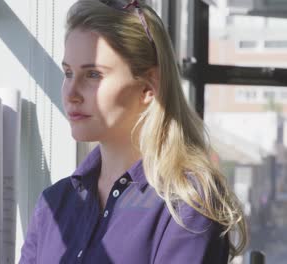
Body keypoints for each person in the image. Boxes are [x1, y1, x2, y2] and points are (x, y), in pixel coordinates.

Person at [19, 0, 248, 263]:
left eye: (93, 74)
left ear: (149, 87)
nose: (71, 93)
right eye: (68, 73)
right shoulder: (54, 204)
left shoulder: (186, 204)